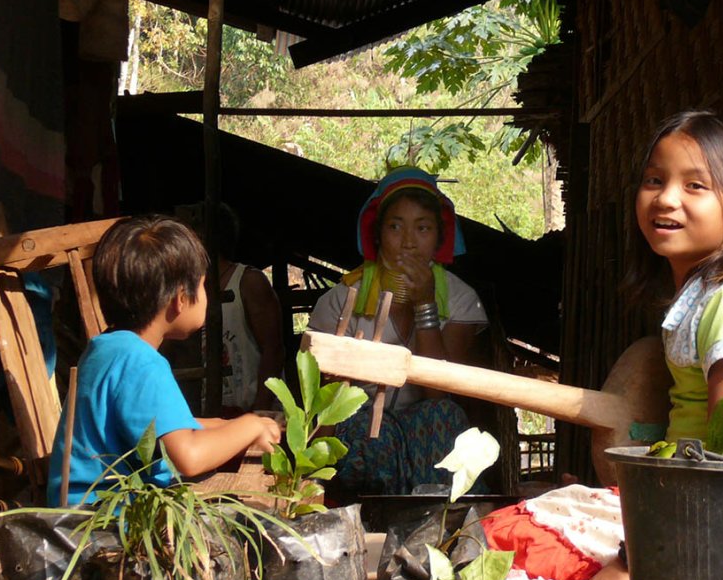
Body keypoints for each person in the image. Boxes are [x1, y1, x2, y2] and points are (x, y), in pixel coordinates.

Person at [482, 111, 723, 580]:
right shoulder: (706, 295)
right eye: (654, 180)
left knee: (511, 542)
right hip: (704, 505)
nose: (666, 198)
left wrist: (633, 561)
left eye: (695, 187)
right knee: (512, 529)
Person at [46, 216, 282, 506]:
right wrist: (250, 426)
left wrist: (224, 425)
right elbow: (188, 457)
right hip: (106, 526)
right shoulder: (142, 363)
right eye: (204, 286)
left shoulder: (106, 349)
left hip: (76, 517)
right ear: (180, 299)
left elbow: (161, 427)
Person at [307, 167, 489, 497]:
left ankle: (431, 520)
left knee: (443, 416)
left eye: (422, 228)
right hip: (365, 435)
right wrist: (312, 476)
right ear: (377, 234)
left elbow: (440, 395)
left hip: (426, 434)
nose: (408, 242)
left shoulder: (462, 300)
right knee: (372, 430)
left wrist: (425, 306)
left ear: (439, 237)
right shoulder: (340, 301)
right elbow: (328, 403)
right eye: (395, 227)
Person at [213, 203, 285, 415]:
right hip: (215, 416)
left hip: (251, 411)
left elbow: (274, 349)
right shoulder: (190, 290)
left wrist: (259, 412)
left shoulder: (247, 281)